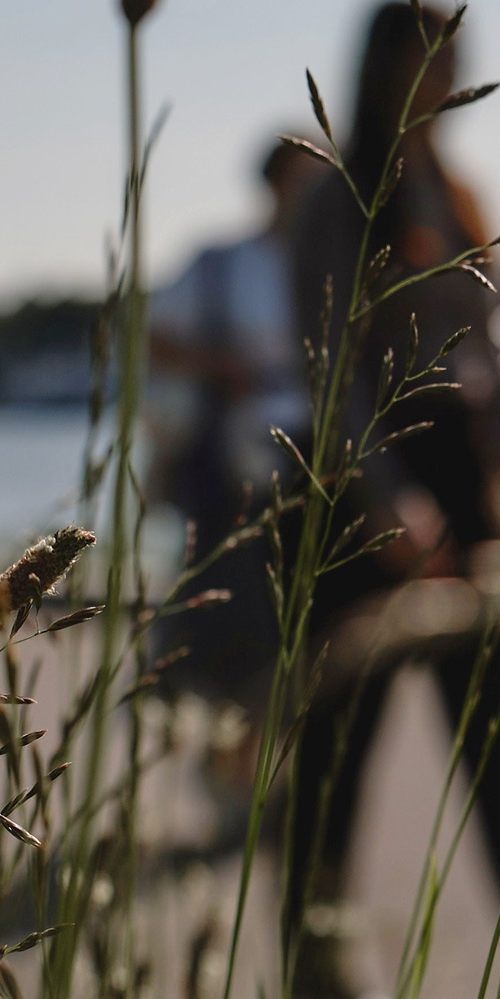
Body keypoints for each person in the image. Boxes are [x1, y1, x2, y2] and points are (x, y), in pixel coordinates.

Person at [282, 0, 500, 999]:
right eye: (433, 61)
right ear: (384, 69)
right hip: (360, 499)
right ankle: (314, 989)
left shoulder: (462, 193)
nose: (449, 79)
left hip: (462, 495)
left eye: (457, 60)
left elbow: (491, 355)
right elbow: (325, 363)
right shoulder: (339, 197)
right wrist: (380, 496)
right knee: (338, 759)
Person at [147, 136, 323, 828]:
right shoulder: (220, 264)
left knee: (304, 626)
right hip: (235, 471)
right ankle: (238, 765)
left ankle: (267, 768)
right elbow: (155, 337)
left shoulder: (339, 260)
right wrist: (229, 368)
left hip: (319, 464)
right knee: (246, 623)